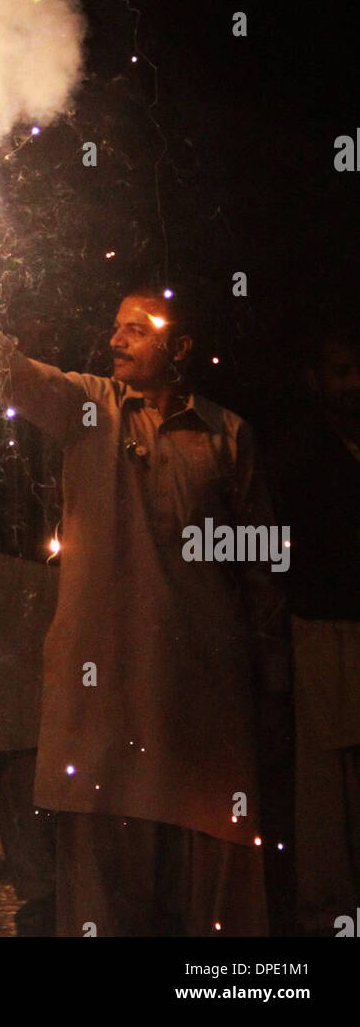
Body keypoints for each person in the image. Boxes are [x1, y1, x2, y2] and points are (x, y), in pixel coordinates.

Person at [0, 284, 288, 936]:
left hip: (199, 694)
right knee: (102, 884)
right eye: (114, 326)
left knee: (212, 889)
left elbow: (260, 566)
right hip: (105, 693)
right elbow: (15, 375)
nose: (115, 340)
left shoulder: (227, 436)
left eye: (136, 329)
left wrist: (270, 676)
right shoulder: (90, 408)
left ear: (179, 348)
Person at [275, 318, 360, 933]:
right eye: (341, 372)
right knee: (329, 782)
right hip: (323, 630)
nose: (354, 384)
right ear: (314, 380)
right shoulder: (298, 458)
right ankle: (331, 913)